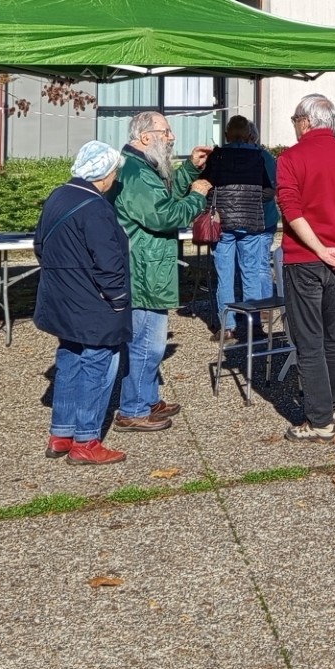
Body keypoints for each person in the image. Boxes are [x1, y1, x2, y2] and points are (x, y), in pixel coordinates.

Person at [274, 94, 335, 442]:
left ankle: (319, 421)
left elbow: (292, 211)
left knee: (309, 341)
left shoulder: (291, 158)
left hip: (305, 259)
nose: (295, 126)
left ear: (304, 121)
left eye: (294, 121)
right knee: (333, 337)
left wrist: (320, 249)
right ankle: (331, 404)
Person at [34, 141, 135, 466]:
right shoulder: (96, 207)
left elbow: (40, 246)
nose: (115, 179)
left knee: (69, 359)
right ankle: (86, 440)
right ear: (103, 173)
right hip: (93, 302)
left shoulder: (58, 196)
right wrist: (118, 298)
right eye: (114, 172)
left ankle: (61, 434)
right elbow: (108, 261)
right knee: (98, 365)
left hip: (60, 298)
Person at [111, 110, 211, 432]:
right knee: (146, 343)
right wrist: (197, 197)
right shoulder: (136, 173)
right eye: (166, 132)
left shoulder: (140, 166)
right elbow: (164, 215)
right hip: (143, 268)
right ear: (145, 137)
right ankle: (133, 410)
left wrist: (189, 169)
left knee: (149, 340)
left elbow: (163, 197)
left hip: (148, 264)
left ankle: (147, 397)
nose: (172, 137)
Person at [201, 115, 279, 340]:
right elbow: (269, 192)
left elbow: (203, 185)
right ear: (248, 134)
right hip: (251, 222)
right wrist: (251, 199)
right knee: (251, 273)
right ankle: (254, 325)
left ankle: (227, 327)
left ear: (226, 134)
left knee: (224, 275)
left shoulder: (217, 156)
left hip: (222, 224)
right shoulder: (258, 156)